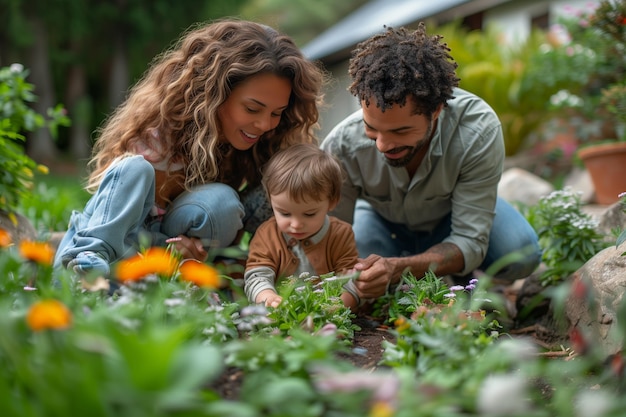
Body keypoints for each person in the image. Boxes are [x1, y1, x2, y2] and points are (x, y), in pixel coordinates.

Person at [54, 19, 324, 279]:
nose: (265, 124)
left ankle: (208, 276)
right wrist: (166, 245)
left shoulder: (258, 145)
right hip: (115, 250)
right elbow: (134, 227)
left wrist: (188, 250)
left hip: (163, 265)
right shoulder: (159, 135)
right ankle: (85, 261)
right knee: (135, 168)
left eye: (277, 113)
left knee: (227, 201)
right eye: (252, 108)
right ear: (216, 93)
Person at [320, 23, 541, 302]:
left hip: (452, 217)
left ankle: (478, 283)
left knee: (520, 252)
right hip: (381, 222)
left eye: (400, 131)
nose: (382, 145)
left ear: (436, 110)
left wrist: (399, 268)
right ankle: (433, 278)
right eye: (371, 128)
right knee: (363, 266)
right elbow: (326, 240)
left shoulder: (477, 129)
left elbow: (470, 239)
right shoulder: (341, 145)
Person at [244, 143, 360, 309]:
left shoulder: (340, 234)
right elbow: (257, 276)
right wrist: (268, 298)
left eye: (309, 214)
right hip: (282, 313)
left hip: (326, 311)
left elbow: (349, 279)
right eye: (284, 213)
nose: (296, 225)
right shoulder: (267, 234)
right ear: (271, 201)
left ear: (332, 202)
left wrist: (338, 306)